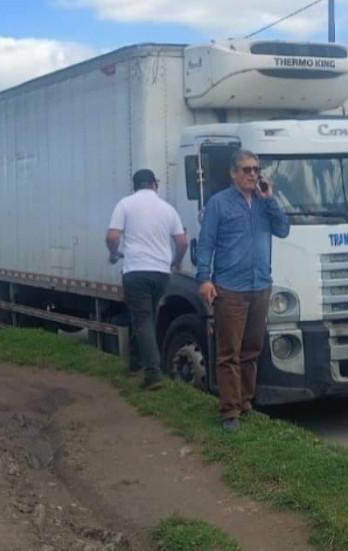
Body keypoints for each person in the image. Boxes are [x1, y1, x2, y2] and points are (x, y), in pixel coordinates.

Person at [196, 150, 290, 432]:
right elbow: (206, 243)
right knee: (229, 352)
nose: (252, 175)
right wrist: (204, 278)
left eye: (256, 170)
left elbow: (283, 230)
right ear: (234, 173)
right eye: (246, 170)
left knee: (252, 349)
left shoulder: (264, 203)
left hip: (260, 285)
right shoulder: (219, 203)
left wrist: (270, 199)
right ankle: (229, 411)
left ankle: (246, 402)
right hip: (230, 288)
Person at [106, 169, 188, 390]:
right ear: (155, 184)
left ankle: (153, 374)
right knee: (146, 317)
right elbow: (182, 242)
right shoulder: (167, 209)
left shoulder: (125, 204)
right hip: (160, 273)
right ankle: (135, 362)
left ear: (134, 185)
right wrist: (176, 261)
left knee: (142, 320)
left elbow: (112, 236)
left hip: (135, 271)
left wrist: (114, 253)